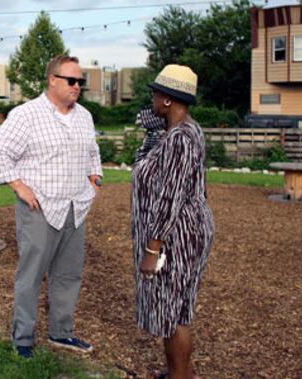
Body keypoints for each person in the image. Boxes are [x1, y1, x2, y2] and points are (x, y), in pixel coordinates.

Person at [0, 55, 103, 359]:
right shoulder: (27, 115)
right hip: (39, 208)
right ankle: (22, 336)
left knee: (68, 275)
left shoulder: (84, 117)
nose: (78, 86)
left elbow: (93, 152)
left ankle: (61, 333)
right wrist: (19, 186)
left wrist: (95, 179)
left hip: (75, 207)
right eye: (72, 81)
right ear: (52, 80)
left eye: (81, 82)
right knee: (31, 274)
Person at [132, 64, 215, 379]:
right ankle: (180, 372)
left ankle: (180, 376)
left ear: (167, 99)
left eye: (155, 93)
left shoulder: (181, 138)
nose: (151, 97)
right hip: (180, 232)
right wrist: (152, 132)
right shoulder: (172, 133)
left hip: (176, 237)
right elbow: (145, 169)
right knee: (175, 307)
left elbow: (169, 199)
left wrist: (152, 250)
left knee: (174, 311)